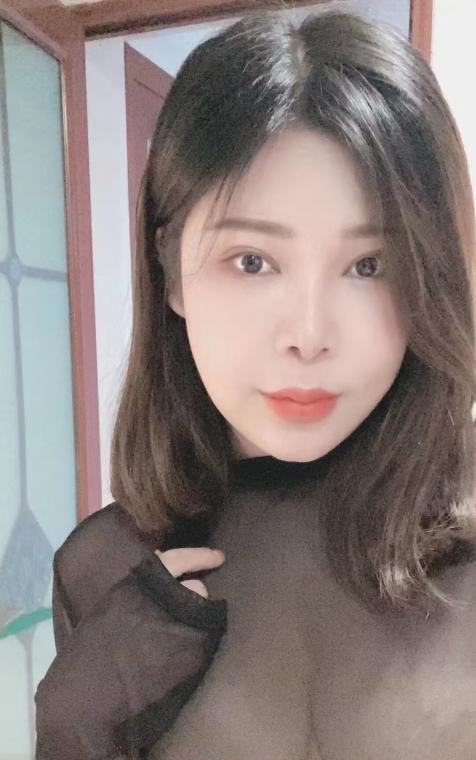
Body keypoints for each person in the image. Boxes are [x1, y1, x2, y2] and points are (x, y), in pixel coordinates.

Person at [35, 8, 476, 760]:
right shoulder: (102, 570)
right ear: (172, 271)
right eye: (253, 261)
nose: (308, 333)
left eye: (370, 266)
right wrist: (73, 729)